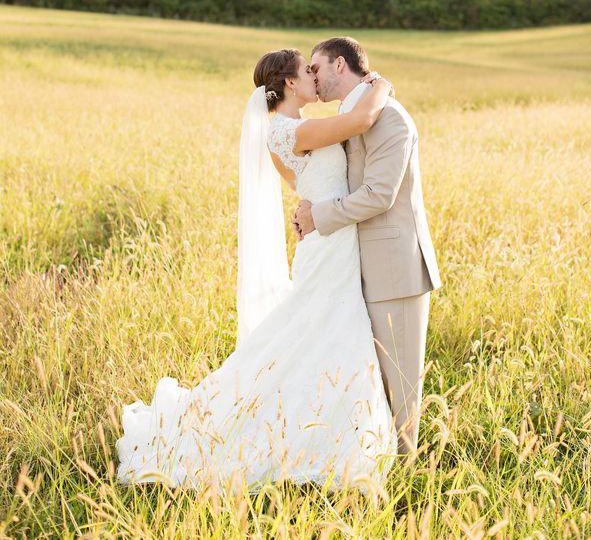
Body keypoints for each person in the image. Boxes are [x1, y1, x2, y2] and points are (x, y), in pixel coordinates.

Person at [116, 48, 398, 491]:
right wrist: (378, 83)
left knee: (315, 332)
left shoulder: (287, 131)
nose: (315, 79)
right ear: (289, 83)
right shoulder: (291, 130)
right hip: (327, 248)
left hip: (329, 241)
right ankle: (329, 439)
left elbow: (301, 184)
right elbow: (360, 121)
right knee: (322, 328)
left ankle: (333, 432)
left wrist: (312, 205)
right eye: (308, 72)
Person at [294, 37, 441, 456]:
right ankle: (372, 467)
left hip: (395, 270)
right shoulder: (352, 117)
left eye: (317, 67)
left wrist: (317, 216)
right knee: (369, 383)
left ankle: (407, 480)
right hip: (353, 269)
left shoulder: (390, 118)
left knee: (401, 388)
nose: (313, 77)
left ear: (340, 65)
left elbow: (379, 194)